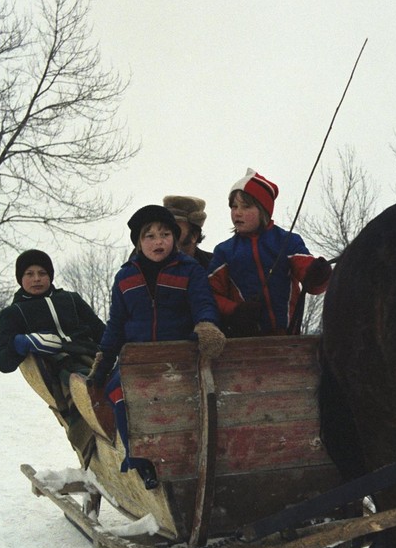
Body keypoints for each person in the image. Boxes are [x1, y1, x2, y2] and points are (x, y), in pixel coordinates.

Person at [88, 205, 226, 489]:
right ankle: (141, 462)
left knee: (184, 403)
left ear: (175, 239)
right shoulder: (125, 277)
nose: (158, 241)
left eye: (165, 234)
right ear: (139, 242)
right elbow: (116, 326)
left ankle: (188, 459)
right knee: (121, 397)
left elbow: (203, 304)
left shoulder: (190, 271)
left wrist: (206, 326)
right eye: (149, 236)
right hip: (137, 361)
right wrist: (102, 365)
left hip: (178, 358)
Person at [0, 249, 106, 464]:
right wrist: (19, 344)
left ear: (50, 276)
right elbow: (2, 362)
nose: (36, 279)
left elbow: (101, 332)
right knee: (84, 387)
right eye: (29, 273)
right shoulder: (14, 313)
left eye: (42, 273)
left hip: (92, 355)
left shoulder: (70, 300)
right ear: (20, 278)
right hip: (60, 369)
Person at [208, 169, 331, 337]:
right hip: (242, 341)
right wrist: (236, 311)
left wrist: (319, 273)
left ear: (263, 210)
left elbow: (311, 281)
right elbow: (210, 294)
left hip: (289, 338)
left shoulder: (287, 241)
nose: (237, 212)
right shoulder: (225, 251)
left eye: (246, 206)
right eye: (234, 206)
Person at [164, 195, 212, 268]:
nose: (168, 234)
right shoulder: (149, 264)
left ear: (194, 235)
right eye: (166, 227)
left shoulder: (214, 266)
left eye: (175, 228)